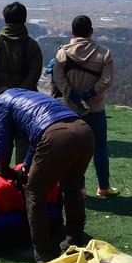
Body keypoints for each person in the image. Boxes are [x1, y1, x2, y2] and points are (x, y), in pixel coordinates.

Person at [0, 88, 94, 261]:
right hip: (84, 131)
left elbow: (3, 142)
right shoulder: (28, 96)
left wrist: (3, 169)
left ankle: (43, 251)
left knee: (34, 191)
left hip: (56, 136)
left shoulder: (1, 103)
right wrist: (26, 166)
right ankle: (75, 240)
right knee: (72, 186)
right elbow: (36, 136)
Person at [52, 15, 117, 198]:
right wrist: (89, 93)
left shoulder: (62, 53)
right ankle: (103, 187)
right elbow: (107, 80)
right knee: (100, 148)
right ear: (91, 31)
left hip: (69, 110)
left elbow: (58, 79)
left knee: (71, 150)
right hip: (95, 109)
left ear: (72, 32)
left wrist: (72, 95)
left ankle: (78, 188)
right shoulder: (104, 53)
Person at [0, 2, 44, 171]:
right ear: (24, 19)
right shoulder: (32, 46)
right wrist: (20, 93)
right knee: (23, 140)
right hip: (26, 103)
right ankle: (20, 180)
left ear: (5, 19)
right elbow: (34, 75)